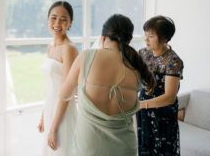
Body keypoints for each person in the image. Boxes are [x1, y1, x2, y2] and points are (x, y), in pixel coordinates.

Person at [47, 14, 156, 156]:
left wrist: (83, 90)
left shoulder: (86, 56)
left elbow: (64, 94)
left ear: (103, 38)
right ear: (128, 41)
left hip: (90, 148)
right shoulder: (136, 67)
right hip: (126, 148)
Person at [136, 15, 184, 156]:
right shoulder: (143, 54)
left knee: (163, 151)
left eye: (151, 36)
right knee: (144, 149)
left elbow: (169, 97)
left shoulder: (173, 61)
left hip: (163, 115)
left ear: (164, 39)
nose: (146, 40)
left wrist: (141, 104)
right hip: (144, 112)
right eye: (145, 35)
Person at [38, 1, 78, 156]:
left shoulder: (69, 49)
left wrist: (54, 127)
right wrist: (43, 115)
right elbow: (51, 87)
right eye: (53, 18)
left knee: (61, 151)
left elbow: (66, 92)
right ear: (48, 20)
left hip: (63, 113)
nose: (57, 23)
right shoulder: (50, 47)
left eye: (63, 19)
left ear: (70, 23)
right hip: (50, 108)